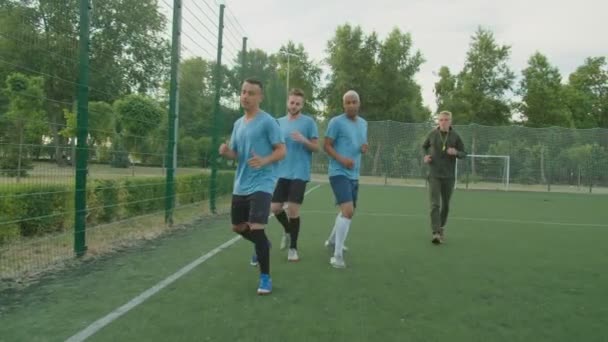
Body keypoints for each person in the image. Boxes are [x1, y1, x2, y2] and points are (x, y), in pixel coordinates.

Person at [219, 78, 286, 295]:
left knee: (257, 226)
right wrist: (227, 153)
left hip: (263, 182)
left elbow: (281, 150)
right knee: (238, 227)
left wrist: (264, 160)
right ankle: (263, 245)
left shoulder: (268, 122)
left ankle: (265, 277)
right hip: (241, 183)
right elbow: (237, 154)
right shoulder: (238, 124)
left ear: (260, 97)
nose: (245, 96)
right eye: (243, 92)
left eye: (251, 93)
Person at [270, 88, 319, 262]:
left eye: (298, 103)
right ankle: (288, 230)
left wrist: (303, 139)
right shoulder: (278, 122)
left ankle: (293, 248)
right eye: (292, 102)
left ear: (302, 105)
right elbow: (274, 145)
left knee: (292, 210)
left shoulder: (309, 122)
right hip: (282, 172)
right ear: (287, 103)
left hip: (300, 172)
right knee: (275, 208)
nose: (294, 106)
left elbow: (316, 147)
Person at [323, 90, 368, 268]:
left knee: (348, 211)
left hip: (354, 174)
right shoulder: (336, 122)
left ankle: (333, 240)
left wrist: (364, 148)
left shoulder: (364, 123)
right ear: (343, 105)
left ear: (359, 103)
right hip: (338, 172)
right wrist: (342, 160)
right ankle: (337, 255)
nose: (351, 105)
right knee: (348, 211)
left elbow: (361, 144)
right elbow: (326, 145)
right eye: (347, 102)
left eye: (354, 102)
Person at [422, 110, 466, 244]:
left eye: (446, 120)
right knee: (435, 204)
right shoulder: (432, 134)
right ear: (438, 121)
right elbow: (424, 147)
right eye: (441, 120)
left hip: (449, 176)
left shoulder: (455, 136)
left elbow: (464, 153)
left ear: (450, 121)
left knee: (445, 205)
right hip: (434, 174)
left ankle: (441, 227)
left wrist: (456, 152)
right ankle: (435, 232)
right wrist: (425, 156)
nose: (443, 122)